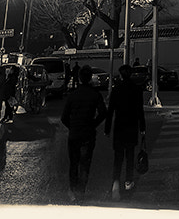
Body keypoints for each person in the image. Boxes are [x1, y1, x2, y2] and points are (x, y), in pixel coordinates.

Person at [60, 66, 107, 201]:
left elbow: (64, 117)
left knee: (73, 163)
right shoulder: (95, 94)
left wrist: (72, 126)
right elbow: (103, 112)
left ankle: (73, 190)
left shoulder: (73, 95)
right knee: (85, 163)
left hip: (74, 133)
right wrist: (93, 124)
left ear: (79, 77)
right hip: (88, 133)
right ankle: (81, 191)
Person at [105, 64, 146, 200]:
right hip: (132, 127)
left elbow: (110, 111)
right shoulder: (136, 90)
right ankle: (128, 182)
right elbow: (140, 111)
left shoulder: (116, 90)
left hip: (119, 127)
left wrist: (107, 128)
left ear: (121, 75)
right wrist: (142, 128)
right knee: (130, 156)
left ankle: (116, 182)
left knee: (118, 158)